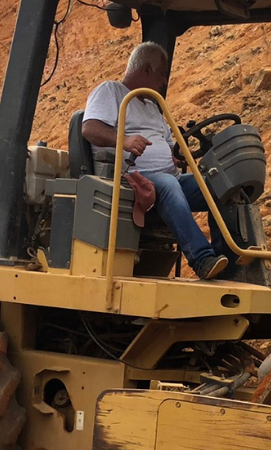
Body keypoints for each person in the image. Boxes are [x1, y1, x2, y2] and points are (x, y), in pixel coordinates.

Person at [82, 42, 229, 280]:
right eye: (162, 75)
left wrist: (177, 156)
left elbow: (169, 144)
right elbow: (90, 128)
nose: (164, 82)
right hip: (132, 177)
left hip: (169, 177)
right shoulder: (111, 91)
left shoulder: (152, 106)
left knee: (218, 185)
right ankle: (202, 259)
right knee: (168, 185)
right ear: (147, 70)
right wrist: (126, 141)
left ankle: (226, 261)